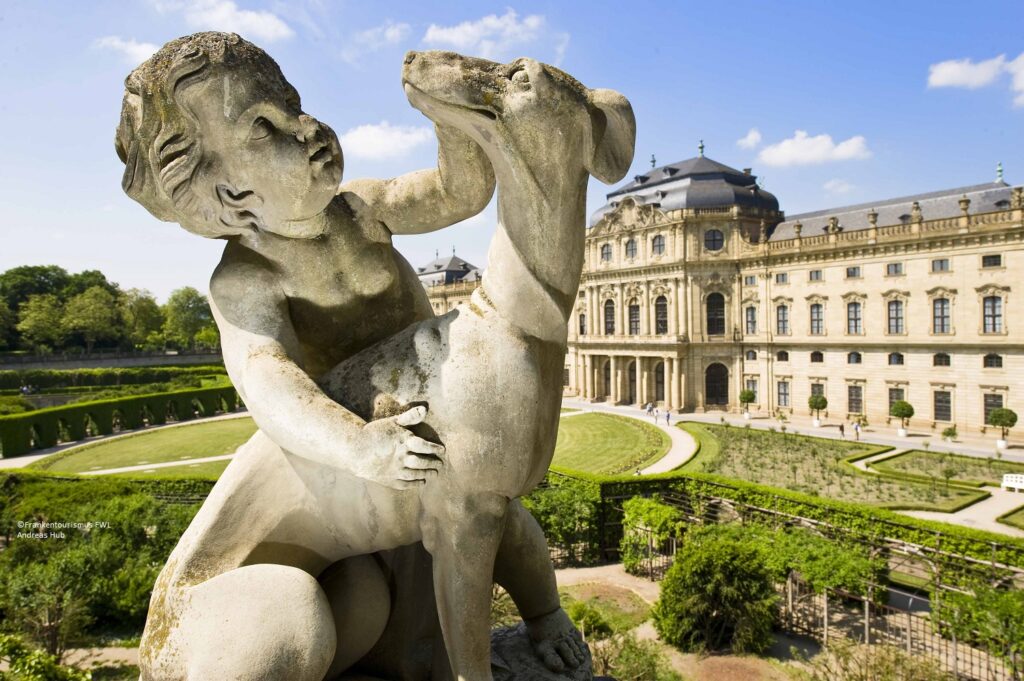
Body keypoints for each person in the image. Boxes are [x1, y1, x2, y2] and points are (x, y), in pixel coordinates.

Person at [115, 32, 572, 681]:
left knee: (495, 528)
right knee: (300, 620)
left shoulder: (360, 207)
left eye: (291, 102)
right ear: (231, 199)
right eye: (265, 126)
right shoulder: (245, 280)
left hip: (406, 443)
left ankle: (547, 616)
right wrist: (359, 443)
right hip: (341, 462)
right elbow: (267, 381)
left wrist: (448, 115)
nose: (307, 126)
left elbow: (459, 191)